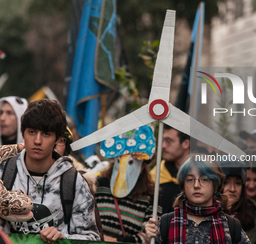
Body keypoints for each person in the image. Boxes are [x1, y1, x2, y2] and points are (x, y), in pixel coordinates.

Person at [0, 99, 100, 242]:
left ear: (58, 139)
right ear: (22, 133)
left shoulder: (73, 181)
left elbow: (92, 238)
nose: (37, 140)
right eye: (32, 132)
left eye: (46, 134)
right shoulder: (4, 173)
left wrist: (62, 237)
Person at [145, 154, 251, 244]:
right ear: (183, 186)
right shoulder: (166, 223)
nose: (196, 185)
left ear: (216, 186)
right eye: (190, 180)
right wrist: (148, 240)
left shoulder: (231, 226)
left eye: (204, 179)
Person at [96, 125, 162, 243]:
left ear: (143, 166)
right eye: (119, 160)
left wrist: (116, 241)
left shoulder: (151, 196)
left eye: (131, 162)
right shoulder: (98, 186)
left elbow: (148, 234)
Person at [221, 160, 256, 244]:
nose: (232, 189)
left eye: (238, 183)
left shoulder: (254, 215)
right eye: (226, 182)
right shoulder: (207, 214)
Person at [150, 124, 190, 214]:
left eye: (168, 141)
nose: (163, 145)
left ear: (185, 143)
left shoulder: (201, 174)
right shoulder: (156, 174)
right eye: (163, 140)